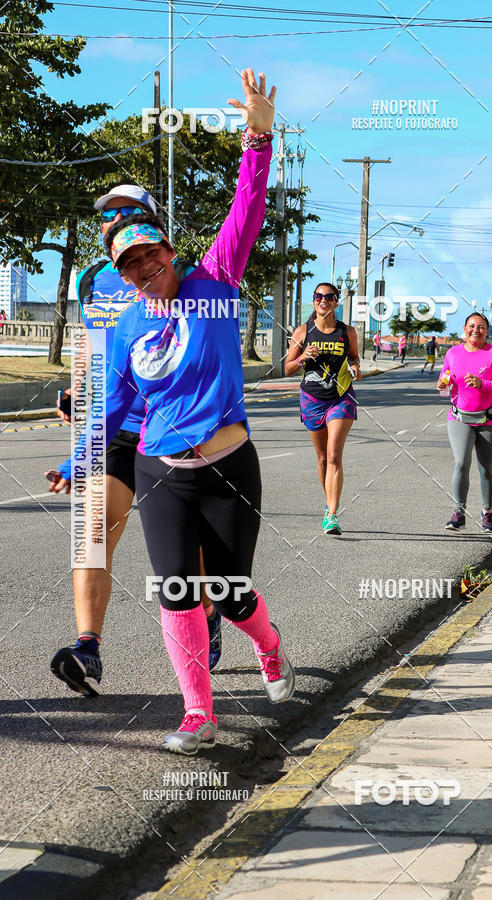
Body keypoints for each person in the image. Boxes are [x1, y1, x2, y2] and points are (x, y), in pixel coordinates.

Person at [48, 69, 295, 755]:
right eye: (130, 264)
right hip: (163, 470)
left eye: (151, 253)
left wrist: (258, 132)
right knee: (178, 591)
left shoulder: (216, 280)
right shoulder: (125, 327)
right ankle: (197, 713)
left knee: (232, 591)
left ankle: (270, 651)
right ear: (119, 274)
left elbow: (247, 206)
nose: (144, 268)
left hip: (229, 464)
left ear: (170, 249)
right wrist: (77, 460)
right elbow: (115, 406)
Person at [48, 187, 222, 698]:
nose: (114, 223)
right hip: (115, 427)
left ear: (152, 224)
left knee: (191, 556)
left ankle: (209, 610)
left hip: (174, 426)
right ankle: (87, 649)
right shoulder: (93, 281)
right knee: (93, 528)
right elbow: (91, 344)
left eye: (128, 215)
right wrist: (79, 393)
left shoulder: (180, 274)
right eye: (106, 217)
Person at [284, 282, 361, 535]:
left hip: (341, 397)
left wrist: (355, 367)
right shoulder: (302, 332)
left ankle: (332, 513)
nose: (323, 300)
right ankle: (328, 501)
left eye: (329, 297)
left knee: (333, 456)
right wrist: (303, 357)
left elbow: (354, 357)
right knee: (321, 458)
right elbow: (288, 369)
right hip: (312, 400)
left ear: (336, 302)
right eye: (318, 296)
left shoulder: (347, 332)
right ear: (314, 301)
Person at [436, 312, 492, 533]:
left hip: (488, 418)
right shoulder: (453, 353)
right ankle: (459, 512)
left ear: (487, 331)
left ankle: (488, 512)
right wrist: (443, 385)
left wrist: (483, 384)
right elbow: (446, 382)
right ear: (464, 329)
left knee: (486, 468)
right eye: (471, 326)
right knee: (461, 463)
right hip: (459, 417)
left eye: (481, 327)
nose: (476, 330)